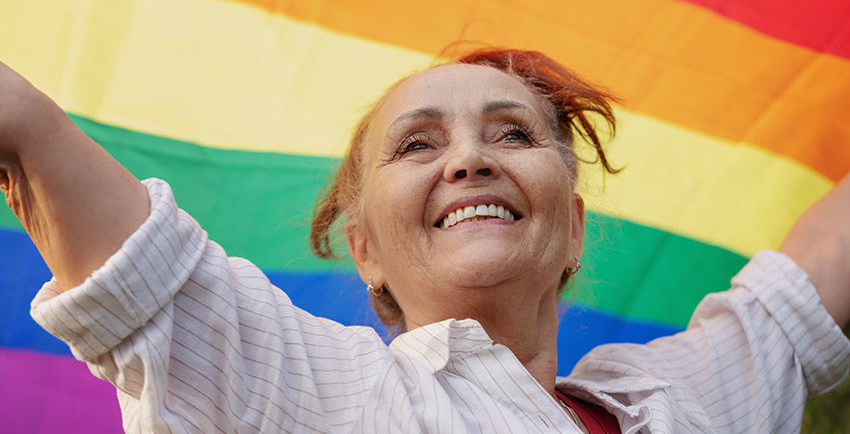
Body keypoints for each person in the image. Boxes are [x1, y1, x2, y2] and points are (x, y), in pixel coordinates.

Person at [1, 48, 848, 433]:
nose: (471, 159)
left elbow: (788, 304)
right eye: (418, 144)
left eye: (513, 134)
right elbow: (44, 153)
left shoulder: (681, 398)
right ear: (366, 250)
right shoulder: (319, 396)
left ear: (573, 232)